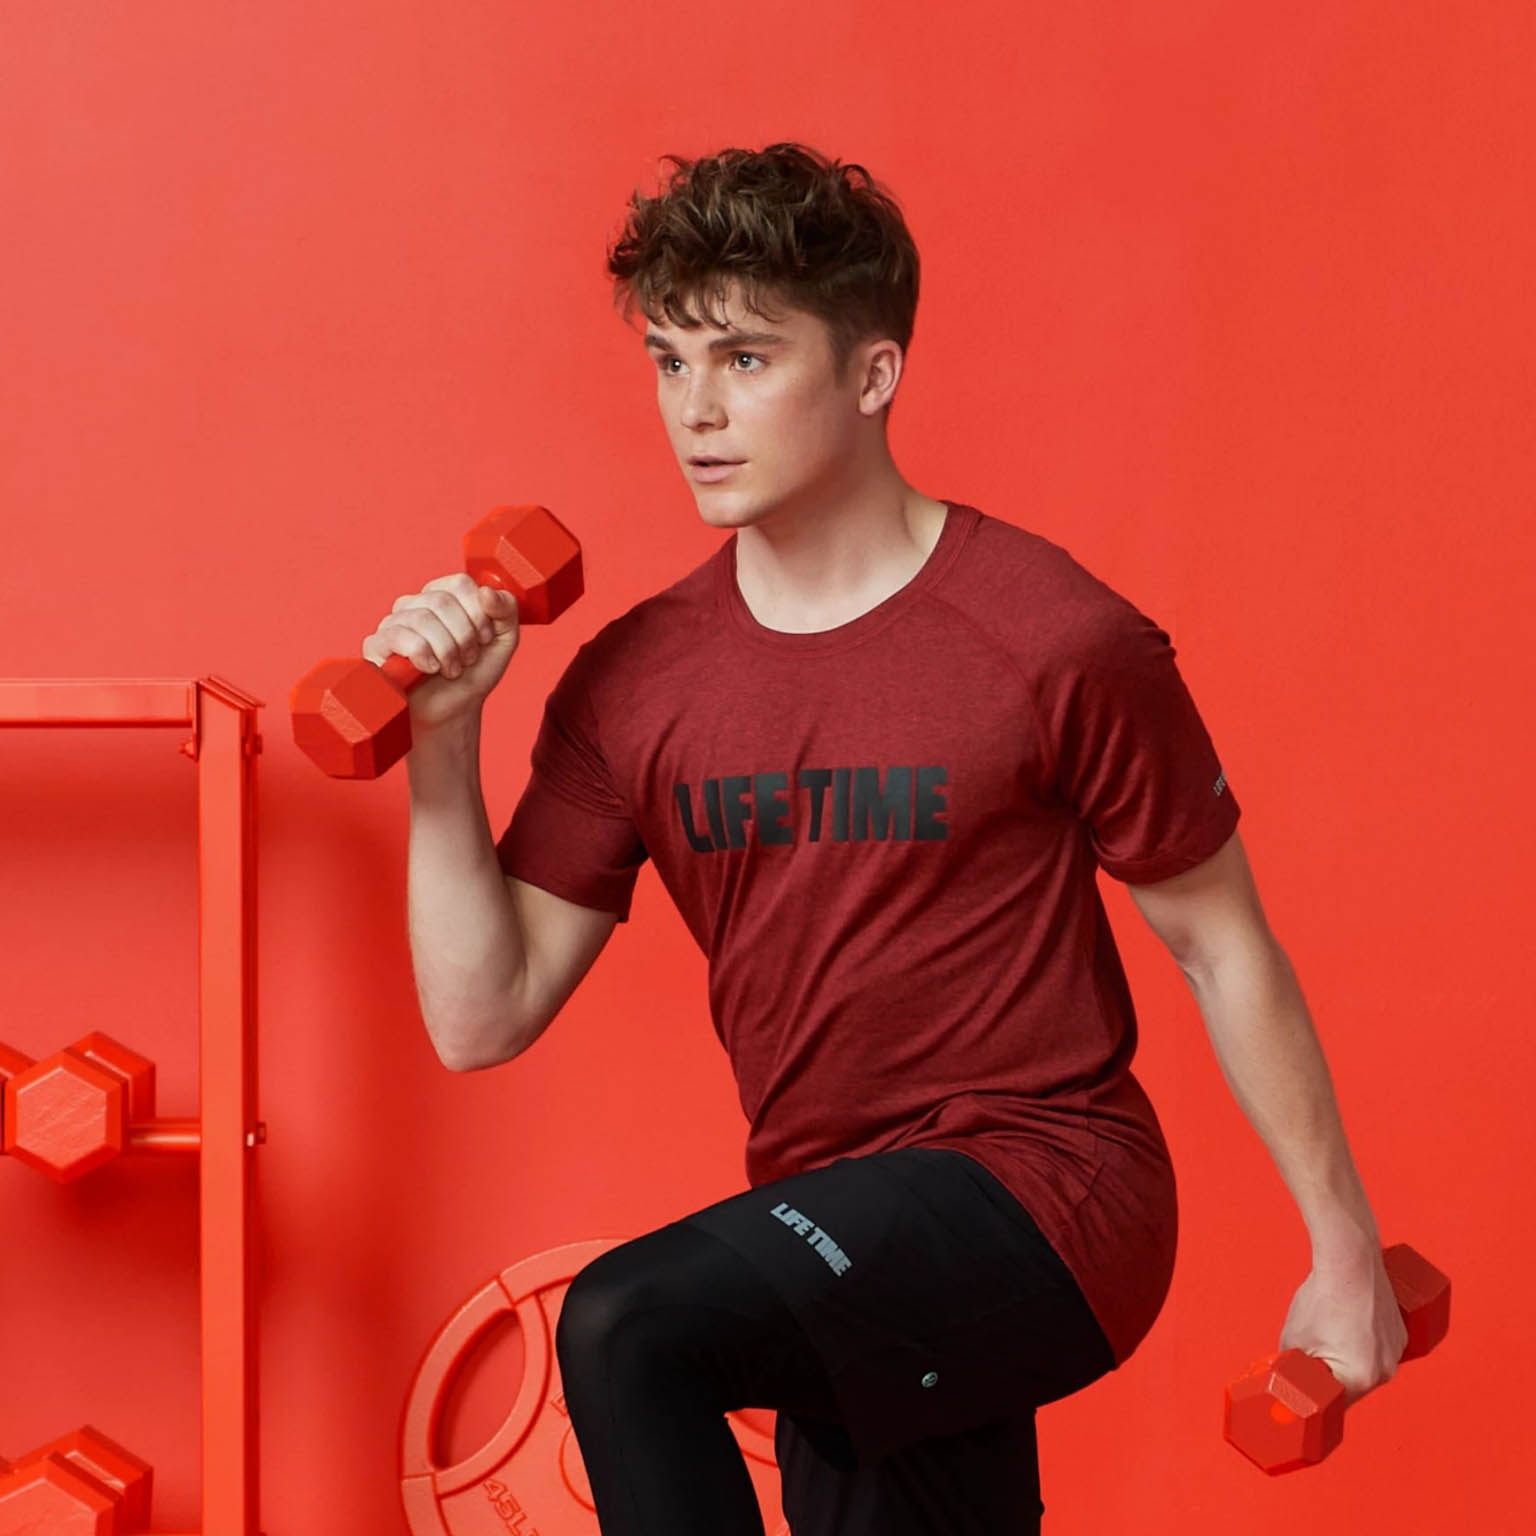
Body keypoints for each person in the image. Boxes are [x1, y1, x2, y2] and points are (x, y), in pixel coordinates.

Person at [371, 142, 1407, 1534]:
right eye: (671, 363)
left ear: (871, 375)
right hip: (836, 1235)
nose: (695, 411)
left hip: (1052, 1188)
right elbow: (478, 1016)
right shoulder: (635, 681)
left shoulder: (1053, 637)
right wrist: (444, 745)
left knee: (630, 1325)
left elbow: (1222, 947)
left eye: (745, 358)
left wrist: (1342, 1252)